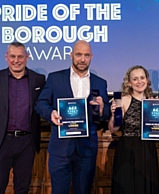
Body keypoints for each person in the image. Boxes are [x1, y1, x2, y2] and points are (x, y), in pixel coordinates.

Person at [34, 40, 110, 194]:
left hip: (87, 149)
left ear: (91, 57)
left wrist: (103, 109)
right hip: (60, 149)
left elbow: (107, 114)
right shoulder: (55, 78)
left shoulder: (100, 82)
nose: (82, 59)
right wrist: (51, 113)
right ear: (71, 55)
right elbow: (40, 103)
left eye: (86, 55)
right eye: (79, 54)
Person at [0, 42, 46, 194]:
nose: (16, 60)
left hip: (27, 143)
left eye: (20, 57)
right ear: (6, 57)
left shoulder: (38, 79)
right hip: (0, 142)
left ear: (27, 57)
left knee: (22, 188)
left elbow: (45, 105)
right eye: (12, 56)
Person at [108, 65, 159, 194]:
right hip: (128, 151)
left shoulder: (154, 101)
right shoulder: (122, 100)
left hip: (148, 150)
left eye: (142, 78)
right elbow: (113, 129)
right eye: (135, 79)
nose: (139, 82)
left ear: (147, 80)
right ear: (129, 83)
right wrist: (114, 115)